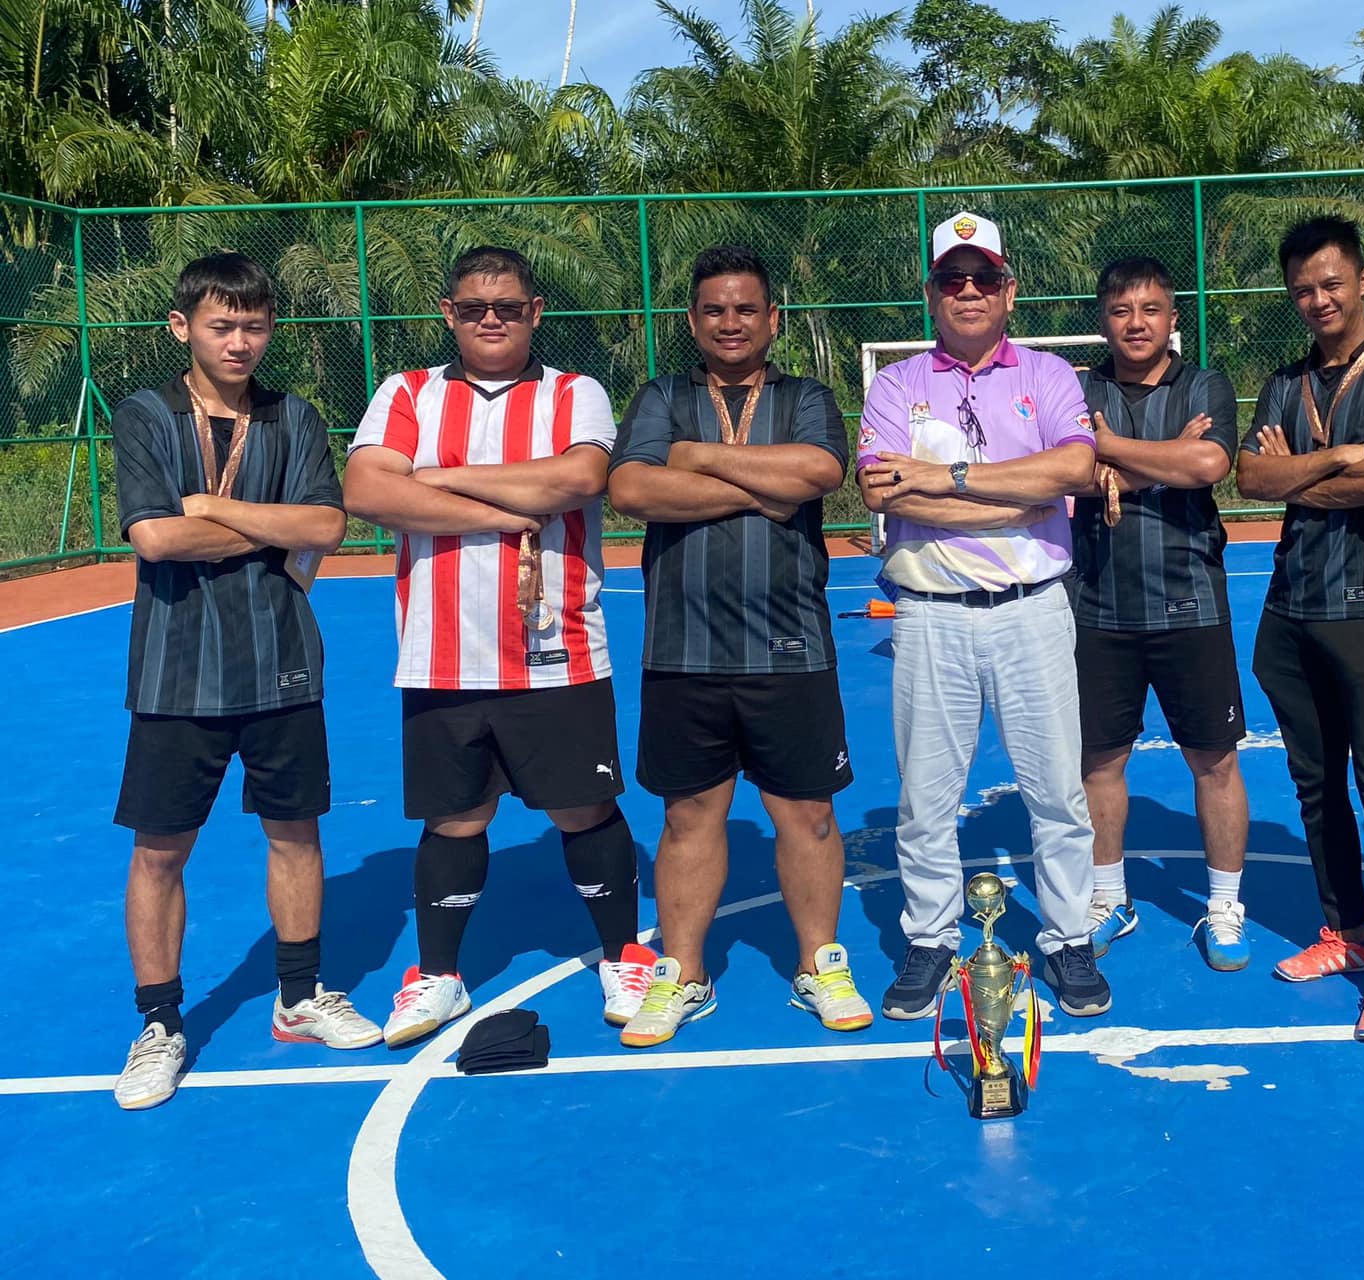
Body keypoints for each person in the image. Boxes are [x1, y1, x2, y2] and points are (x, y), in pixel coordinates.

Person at [344, 245, 651, 1047]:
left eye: (508, 307)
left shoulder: (574, 392)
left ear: (534, 312)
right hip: (440, 651)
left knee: (582, 806)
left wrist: (436, 479)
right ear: (448, 313)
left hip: (557, 645)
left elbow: (577, 481)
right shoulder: (405, 391)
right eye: (475, 307)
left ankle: (624, 955)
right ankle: (439, 975)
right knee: (454, 817)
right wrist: (508, 507)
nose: (491, 320)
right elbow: (368, 490)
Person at [108, 252, 374, 1110]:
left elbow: (327, 526)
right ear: (181, 327)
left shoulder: (295, 417)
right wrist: (273, 527)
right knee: (160, 852)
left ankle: (299, 998)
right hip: (176, 671)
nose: (239, 342)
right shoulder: (145, 416)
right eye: (222, 325)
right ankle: (160, 1025)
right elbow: (154, 538)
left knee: (296, 834)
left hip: (281, 662)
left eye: (253, 326)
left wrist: (216, 509)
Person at [606, 246, 870, 1044]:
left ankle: (820, 963)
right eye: (715, 310)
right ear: (692, 321)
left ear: (772, 319)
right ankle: (683, 972)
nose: (731, 323)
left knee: (810, 815)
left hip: (790, 648)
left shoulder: (806, 397)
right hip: (682, 649)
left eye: (746, 309)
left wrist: (697, 460)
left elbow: (819, 472)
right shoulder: (662, 396)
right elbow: (631, 488)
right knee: (689, 815)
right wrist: (762, 488)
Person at [855, 210, 1109, 1021]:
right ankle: (930, 938)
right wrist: (1019, 496)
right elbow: (884, 491)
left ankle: (1067, 938)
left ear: (1009, 289)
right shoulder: (896, 384)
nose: (969, 291)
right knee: (926, 799)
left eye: (984, 277)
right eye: (952, 278)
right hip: (930, 614)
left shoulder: (1049, 374)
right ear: (932, 291)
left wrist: (948, 479)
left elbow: (1075, 468)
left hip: (1032, 611)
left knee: (1057, 793)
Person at [1235, 215, 1364, 1043]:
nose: (1318, 300)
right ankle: (1348, 933)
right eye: (1302, 290)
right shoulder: (1285, 381)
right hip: (1291, 610)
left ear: (1362, 282)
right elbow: (1250, 477)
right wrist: (1333, 459)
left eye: (1331, 284)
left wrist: (1300, 471)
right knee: (1315, 787)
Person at [1069, 256, 1251, 971]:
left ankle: (1224, 906)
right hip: (1097, 605)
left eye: (1150, 309)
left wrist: (1111, 450)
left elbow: (1208, 467)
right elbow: (1065, 472)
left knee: (1214, 761)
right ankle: (1109, 897)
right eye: (1121, 311)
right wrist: (1167, 456)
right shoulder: (1077, 389)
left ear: (1173, 318)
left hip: (1190, 603)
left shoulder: (1205, 384)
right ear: (1103, 322)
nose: (1136, 323)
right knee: (1099, 762)